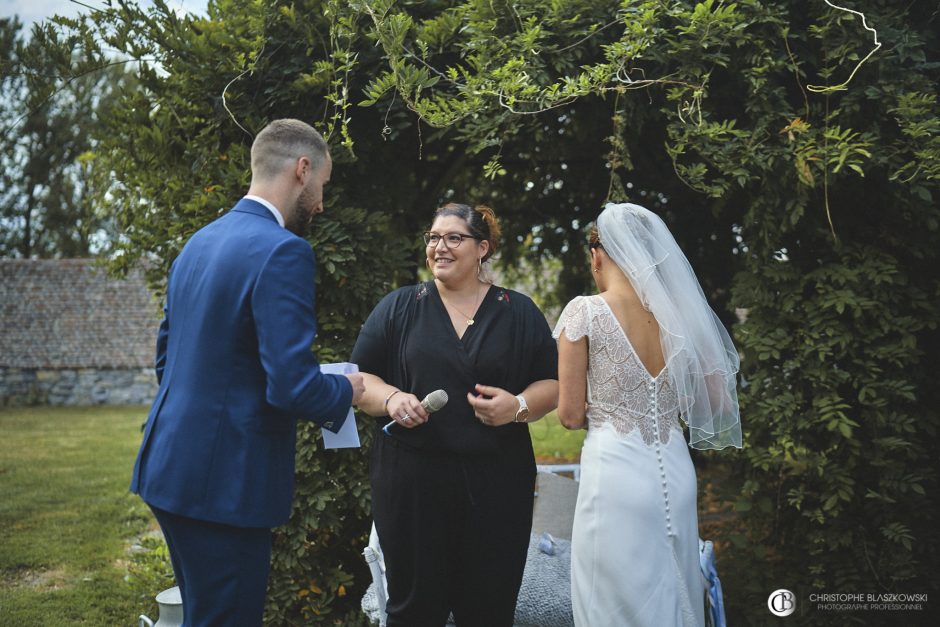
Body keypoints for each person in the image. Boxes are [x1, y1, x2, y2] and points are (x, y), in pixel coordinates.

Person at [130, 118, 365, 626]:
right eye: (322, 185)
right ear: (302, 170)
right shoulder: (284, 251)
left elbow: (167, 360)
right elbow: (292, 385)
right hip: (225, 486)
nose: (321, 203)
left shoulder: (199, 242)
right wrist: (347, 389)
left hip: (169, 468)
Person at [350, 203, 559, 627]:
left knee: (488, 607)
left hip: (497, 483)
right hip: (412, 483)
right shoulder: (400, 307)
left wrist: (516, 406)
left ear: (482, 248)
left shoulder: (518, 312)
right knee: (414, 609)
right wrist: (391, 398)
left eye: (452, 238)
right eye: (432, 238)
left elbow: (552, 385)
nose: (438, 247)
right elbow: (359, 379)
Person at [554, 202, 742, 627]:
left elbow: (568, 415)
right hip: (676, 471)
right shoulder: (678, 317)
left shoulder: (584, 311)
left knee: (610, 600)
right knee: (675, 592)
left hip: (614, 473)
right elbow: (716, 405)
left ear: (598, 254)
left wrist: (610, 406)